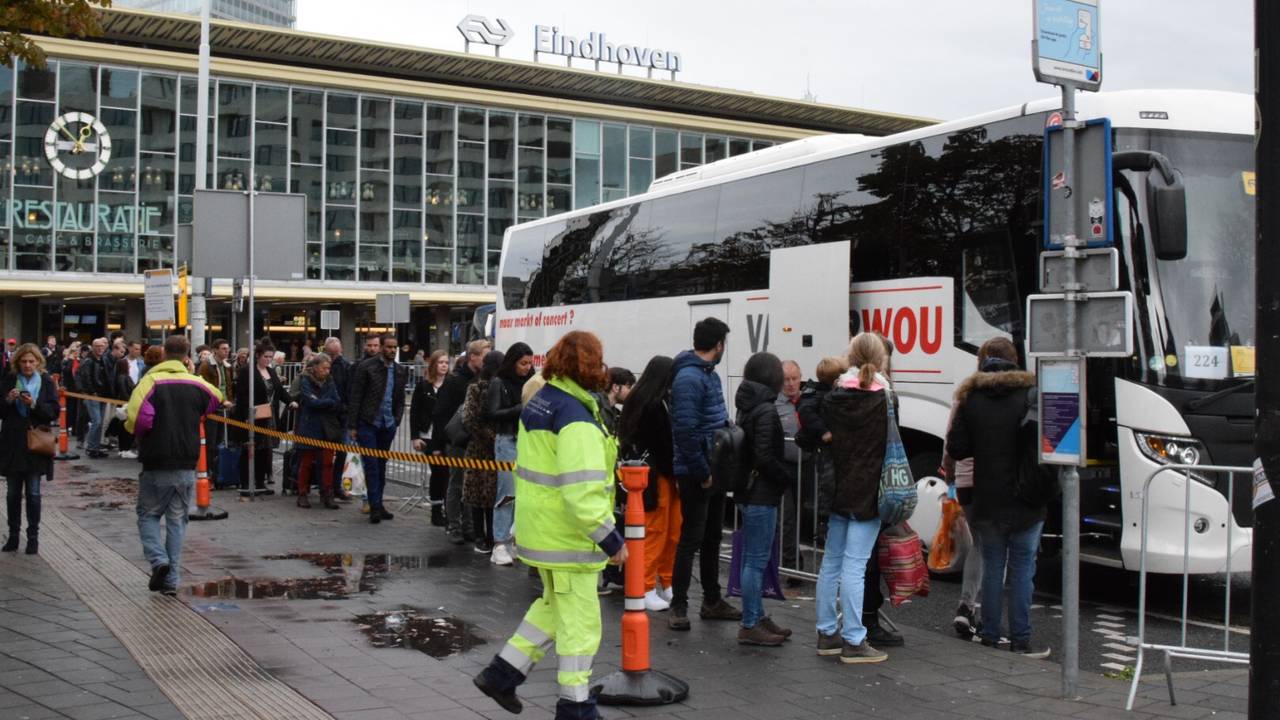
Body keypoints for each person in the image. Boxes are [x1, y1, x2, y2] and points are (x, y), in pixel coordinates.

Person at [473, 331, 625, 720]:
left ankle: (501, 675)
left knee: (551, 609)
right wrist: (610, 540)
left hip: (542, 529)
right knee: (581, 627)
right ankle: (576, 708)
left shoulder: (543, 400)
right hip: (569, 536)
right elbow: (581, 492)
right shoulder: (576, 415)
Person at [945, 337, 1051, 658]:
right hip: (1028, 500)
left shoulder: (972, 397)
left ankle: (990, 637)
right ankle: (1021, 641)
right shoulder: (1031, 395)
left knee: (992, 567)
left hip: (988, 498)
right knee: (1021, 570)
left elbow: (958, 448)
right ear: (1015, 360)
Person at [816, 332, 892, 664]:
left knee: (831, 563)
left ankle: (827, 633)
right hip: (869, 489)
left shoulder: (834, 396)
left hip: (839, 486)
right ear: (882, 360)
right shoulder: (885, 399)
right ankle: (854, 639)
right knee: (855, 565)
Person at [124, 335, 222, 595]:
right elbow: (216, 397)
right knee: (177, 521)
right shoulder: (196, 383)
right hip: (186, 460)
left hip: (157, 459)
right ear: (187, 355)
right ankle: (171, 581)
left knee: (148, 514)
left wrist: (139, 434)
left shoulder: (150, 381)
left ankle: (159, 560)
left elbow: (137, 420)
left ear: (165, 353)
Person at [667, 317, 739, 631]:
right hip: (698, 470)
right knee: (691, 539)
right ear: (718, 344)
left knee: (711, 537)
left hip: (713, 466)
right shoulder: (689, 378)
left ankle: (712, 600)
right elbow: (684, 430)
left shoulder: (707, 375)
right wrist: (702, 471)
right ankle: (679, 606)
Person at [734, 352, 795, 646]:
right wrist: (785, 476)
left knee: (752, 559)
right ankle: (750, 623)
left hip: (748, 490)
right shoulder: (767, 410)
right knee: (756, 561)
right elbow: (765, 455)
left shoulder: (747, 405)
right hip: (762, 492)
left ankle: (757, 615)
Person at [617, 355, 679, 611]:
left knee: (667, 530)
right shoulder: (655, 406)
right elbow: (662, 446)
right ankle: (645, 586)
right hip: (657, 477)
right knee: (657, 532)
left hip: (652, 475)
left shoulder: (643, 401)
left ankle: (663, 582)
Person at [860, 334, 904, 649]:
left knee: (856, 557)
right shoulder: (884, 393)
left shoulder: (846, 388)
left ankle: (857, 618)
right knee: (870, 556)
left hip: (854, 484)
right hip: (876, 484)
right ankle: (868, 619)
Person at [942, 351, 985, 641]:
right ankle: (979, 612)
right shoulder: (1019, 392)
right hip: (999, 484)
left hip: (968, 480)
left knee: (978, 543)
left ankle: (967, 605)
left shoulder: (965, 394)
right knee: (992, 549)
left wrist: (949, 473)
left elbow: (951, 440)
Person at [1, 344, 59, 554]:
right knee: (13, 493)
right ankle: (14, 535)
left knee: (34, 492)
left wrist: (34, 404)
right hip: (13, 443)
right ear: (18, 363)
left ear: (38, 363)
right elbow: (1, 411)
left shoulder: (45, 381)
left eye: (31, 361)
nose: (27, 365)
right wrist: (8, 401)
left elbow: (53, 411)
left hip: (36, 442)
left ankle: (33, 537)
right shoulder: (8, 380)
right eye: (23, 361)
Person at [432, 340, 491, 543]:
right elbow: (440, 414)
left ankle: (469, 527)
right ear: (472, 357)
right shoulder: (455, 381)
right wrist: (438, 444)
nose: (487, 359)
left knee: (471, 485)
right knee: (456, 484)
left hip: (475, 441)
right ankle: (454, 525)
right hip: (458, 440)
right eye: (484, 355)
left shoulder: (484, 379)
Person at [347, 334, 409, 523]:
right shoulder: (367, 367)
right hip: (368, 422)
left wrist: (397, 420)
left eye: (395, 347)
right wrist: (352, 424)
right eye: (389, 347)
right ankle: (374, 505)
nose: (392, 350)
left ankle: (379, 502)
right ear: (381, 347)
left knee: (381, 465)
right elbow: (356, 396)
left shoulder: (400, 371)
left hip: (388, 423)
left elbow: (399, 399)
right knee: (372, 465)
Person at [486, 343, 535, 566]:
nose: (527, 367)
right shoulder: (499, 382)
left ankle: (514, 539)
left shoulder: (532, 381)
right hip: (507, 440)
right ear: (513, 362)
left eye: (529, 363)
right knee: (507, 493)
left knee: (524, 493)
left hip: (527, 440)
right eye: (523, 363)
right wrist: (519, 409)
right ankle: (499, 542)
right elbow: (492, 413)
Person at [796, 357, 846, 542]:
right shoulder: (815, 396)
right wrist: (823, 431)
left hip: (829, 448)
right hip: (825, 449)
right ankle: (822, 522)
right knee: (827, 482)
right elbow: (806, 413)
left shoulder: (823, 394)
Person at [232, 341, 291, 497]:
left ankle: (260, 482)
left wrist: (291, 401)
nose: (268, 360)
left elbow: (279, 391)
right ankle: (245, 483)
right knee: (249, 449)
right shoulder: (247, 372)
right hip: (253, 415)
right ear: (257, 356)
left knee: (265, 450)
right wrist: (246, 416)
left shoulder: (271, 372)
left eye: (270, 357)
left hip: (269, 415)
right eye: (265, 356)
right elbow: (242, 395)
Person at [463, 350, 503, 553]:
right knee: (479, 494)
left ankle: (493, 535)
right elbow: (469, 418)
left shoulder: (503, 387)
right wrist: (491, 436)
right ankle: (480, 535)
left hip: (498, 449)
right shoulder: (476, 388)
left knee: (494, 495)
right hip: (480, 448)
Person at [294, 353, 342, 509]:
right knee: (306, 462)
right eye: (324, 368)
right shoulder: (305, 380)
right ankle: (302, 493)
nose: (326, 371)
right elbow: (309, 402)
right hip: (309, 427)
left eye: (328, 368)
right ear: (314, 368)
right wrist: (326, 403)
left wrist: (322, 402)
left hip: (326, 428)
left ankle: (327, 493)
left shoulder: (330, 381)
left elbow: (337, 402)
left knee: (327, 463)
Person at [410, 350, 451, 526]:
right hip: (428, 436)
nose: (444, 365)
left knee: (448, 474)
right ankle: (436, 510)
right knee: (438, 473)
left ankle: (448, 510)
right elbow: (414, 412)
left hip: (446, 436)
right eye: (440, 362)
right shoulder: (423, 386)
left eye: (446, 362)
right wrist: (414, 437)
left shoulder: (451, 385)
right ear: (433, 364)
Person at [776, 359, 804, 581]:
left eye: (795, 378)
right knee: (787, 517)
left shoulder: (806, 400)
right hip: (784, 466)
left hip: (808, 467)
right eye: (786, 379)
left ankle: (797, 560)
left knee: (802, 515)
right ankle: (790, 565)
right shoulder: (775, 404)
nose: (791, 384)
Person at [199, 339, 237, 483]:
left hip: (224, 407)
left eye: (227, 348)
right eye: (223, 349)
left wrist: (230, 401)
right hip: (212, 408)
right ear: (215, 350)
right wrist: (221, 400)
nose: (226, 351)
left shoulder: (226, 366)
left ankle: (217, 471)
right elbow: (205, 388)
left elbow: (227, 386)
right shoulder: (206, 366)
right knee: (211, 442)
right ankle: (207, 471)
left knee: (220, 441)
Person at [322, 338, 355, 503]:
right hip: (327, 415)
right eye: (331, 353)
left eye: (337, 353)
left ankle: (335, 486)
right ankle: (326, 487)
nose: (334, 356)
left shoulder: (345, 366)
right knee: (325, 454)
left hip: (341, 415)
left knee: (341, 452)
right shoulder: (321, 365)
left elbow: (350, 390)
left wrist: (346, 409)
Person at [76, 337, 111, 458]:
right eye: (97, 346)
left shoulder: (103, 360)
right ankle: (91, 447)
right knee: (96, 421)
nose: (100, 348)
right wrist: (91, 391)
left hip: (102, 394)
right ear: (93, 347)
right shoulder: (88, 361)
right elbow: (85, 377)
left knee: (100, 422)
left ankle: (95, 447)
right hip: (93, 394)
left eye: (102, 346)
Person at [114, 340, 145, 460]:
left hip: (135, 394)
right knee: (125, 423)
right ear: (130, 348)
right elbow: (118, 383)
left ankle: (125, 448)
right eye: (136, 348)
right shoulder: (122, 364)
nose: (138, 351)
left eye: (139, 349)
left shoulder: (140, 363)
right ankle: (124, 448)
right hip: (127, 399)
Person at [596, 367, 634, 435]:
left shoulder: (616, 414)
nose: (631, 392)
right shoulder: (596, 405)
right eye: (628, 387)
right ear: (616, 387)